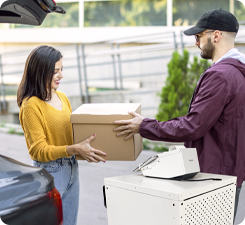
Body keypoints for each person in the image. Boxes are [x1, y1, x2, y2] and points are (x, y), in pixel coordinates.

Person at [113, 9, 245, 221]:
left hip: (212, 179)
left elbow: (192, 126)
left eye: (199, 36)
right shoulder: (239, 72)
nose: (196, 42)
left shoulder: (221, 76)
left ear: (216, 35)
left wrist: (144, 126)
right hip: (230, 175)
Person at [17, 45, 106, 225]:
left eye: (62, 70)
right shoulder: (31, 105)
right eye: (55, 71)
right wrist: (74, 148)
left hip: (72, 167)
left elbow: (70, 135)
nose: (61, 75)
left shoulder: (62, 97)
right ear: (40, 71)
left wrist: (85, 150)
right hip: (50, 172)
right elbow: (37, 151)